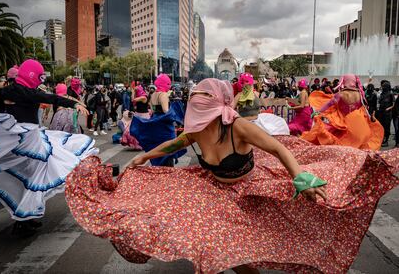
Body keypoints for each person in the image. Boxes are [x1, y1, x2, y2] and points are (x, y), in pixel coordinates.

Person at [65, 78, 399, 274]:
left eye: (202, 102)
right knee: (206, 239)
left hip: (252, 186)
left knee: (264, 237)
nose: (197, 109)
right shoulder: (197, 131)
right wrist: (143, 157)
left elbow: (280, 151)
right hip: (214, 191)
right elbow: (174, 142)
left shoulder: (236, 125)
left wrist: (301, 179)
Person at [0, 59, 95, 236]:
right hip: (28, 141)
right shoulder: (24, 92)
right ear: (31, 75)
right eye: (39, 76)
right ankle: (23, 221)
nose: (40, 80)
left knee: (29, 180)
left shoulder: (9, 91)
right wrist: (74, 103)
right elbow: (49, 98)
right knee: (35, 179)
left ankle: (25, 220)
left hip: (17, 141)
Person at [301, 74, 384, 150]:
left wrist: (317, 112)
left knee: (329, 135)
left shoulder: (340, 94)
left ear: (344, 81)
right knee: (355, 143)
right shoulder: (359, 95)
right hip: (356, 122)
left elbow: (328, 104)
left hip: (340, 121)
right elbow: (362, 109)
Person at [130, 74, 186, 166]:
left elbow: (152, 111)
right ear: (165, 84)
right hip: (165, 127)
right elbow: (166, 112)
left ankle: (160, 175)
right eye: (168, 84)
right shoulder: (163, 95)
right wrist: (175, 110)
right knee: (168, 150)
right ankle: (166, 176)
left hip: (156, 124)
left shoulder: (153, 95)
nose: (169, 86)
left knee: (158, 151)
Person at [375, 80, 395, 147]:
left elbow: (393, 104)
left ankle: (386, 141)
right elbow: (379, 102)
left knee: (387, 127)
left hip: (387, 113)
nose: (382, 87)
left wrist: (388, 108)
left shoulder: (390, 94)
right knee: (381, 126)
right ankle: (382, 138)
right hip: (381, 112)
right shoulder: (382, 94)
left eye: (384, 86)